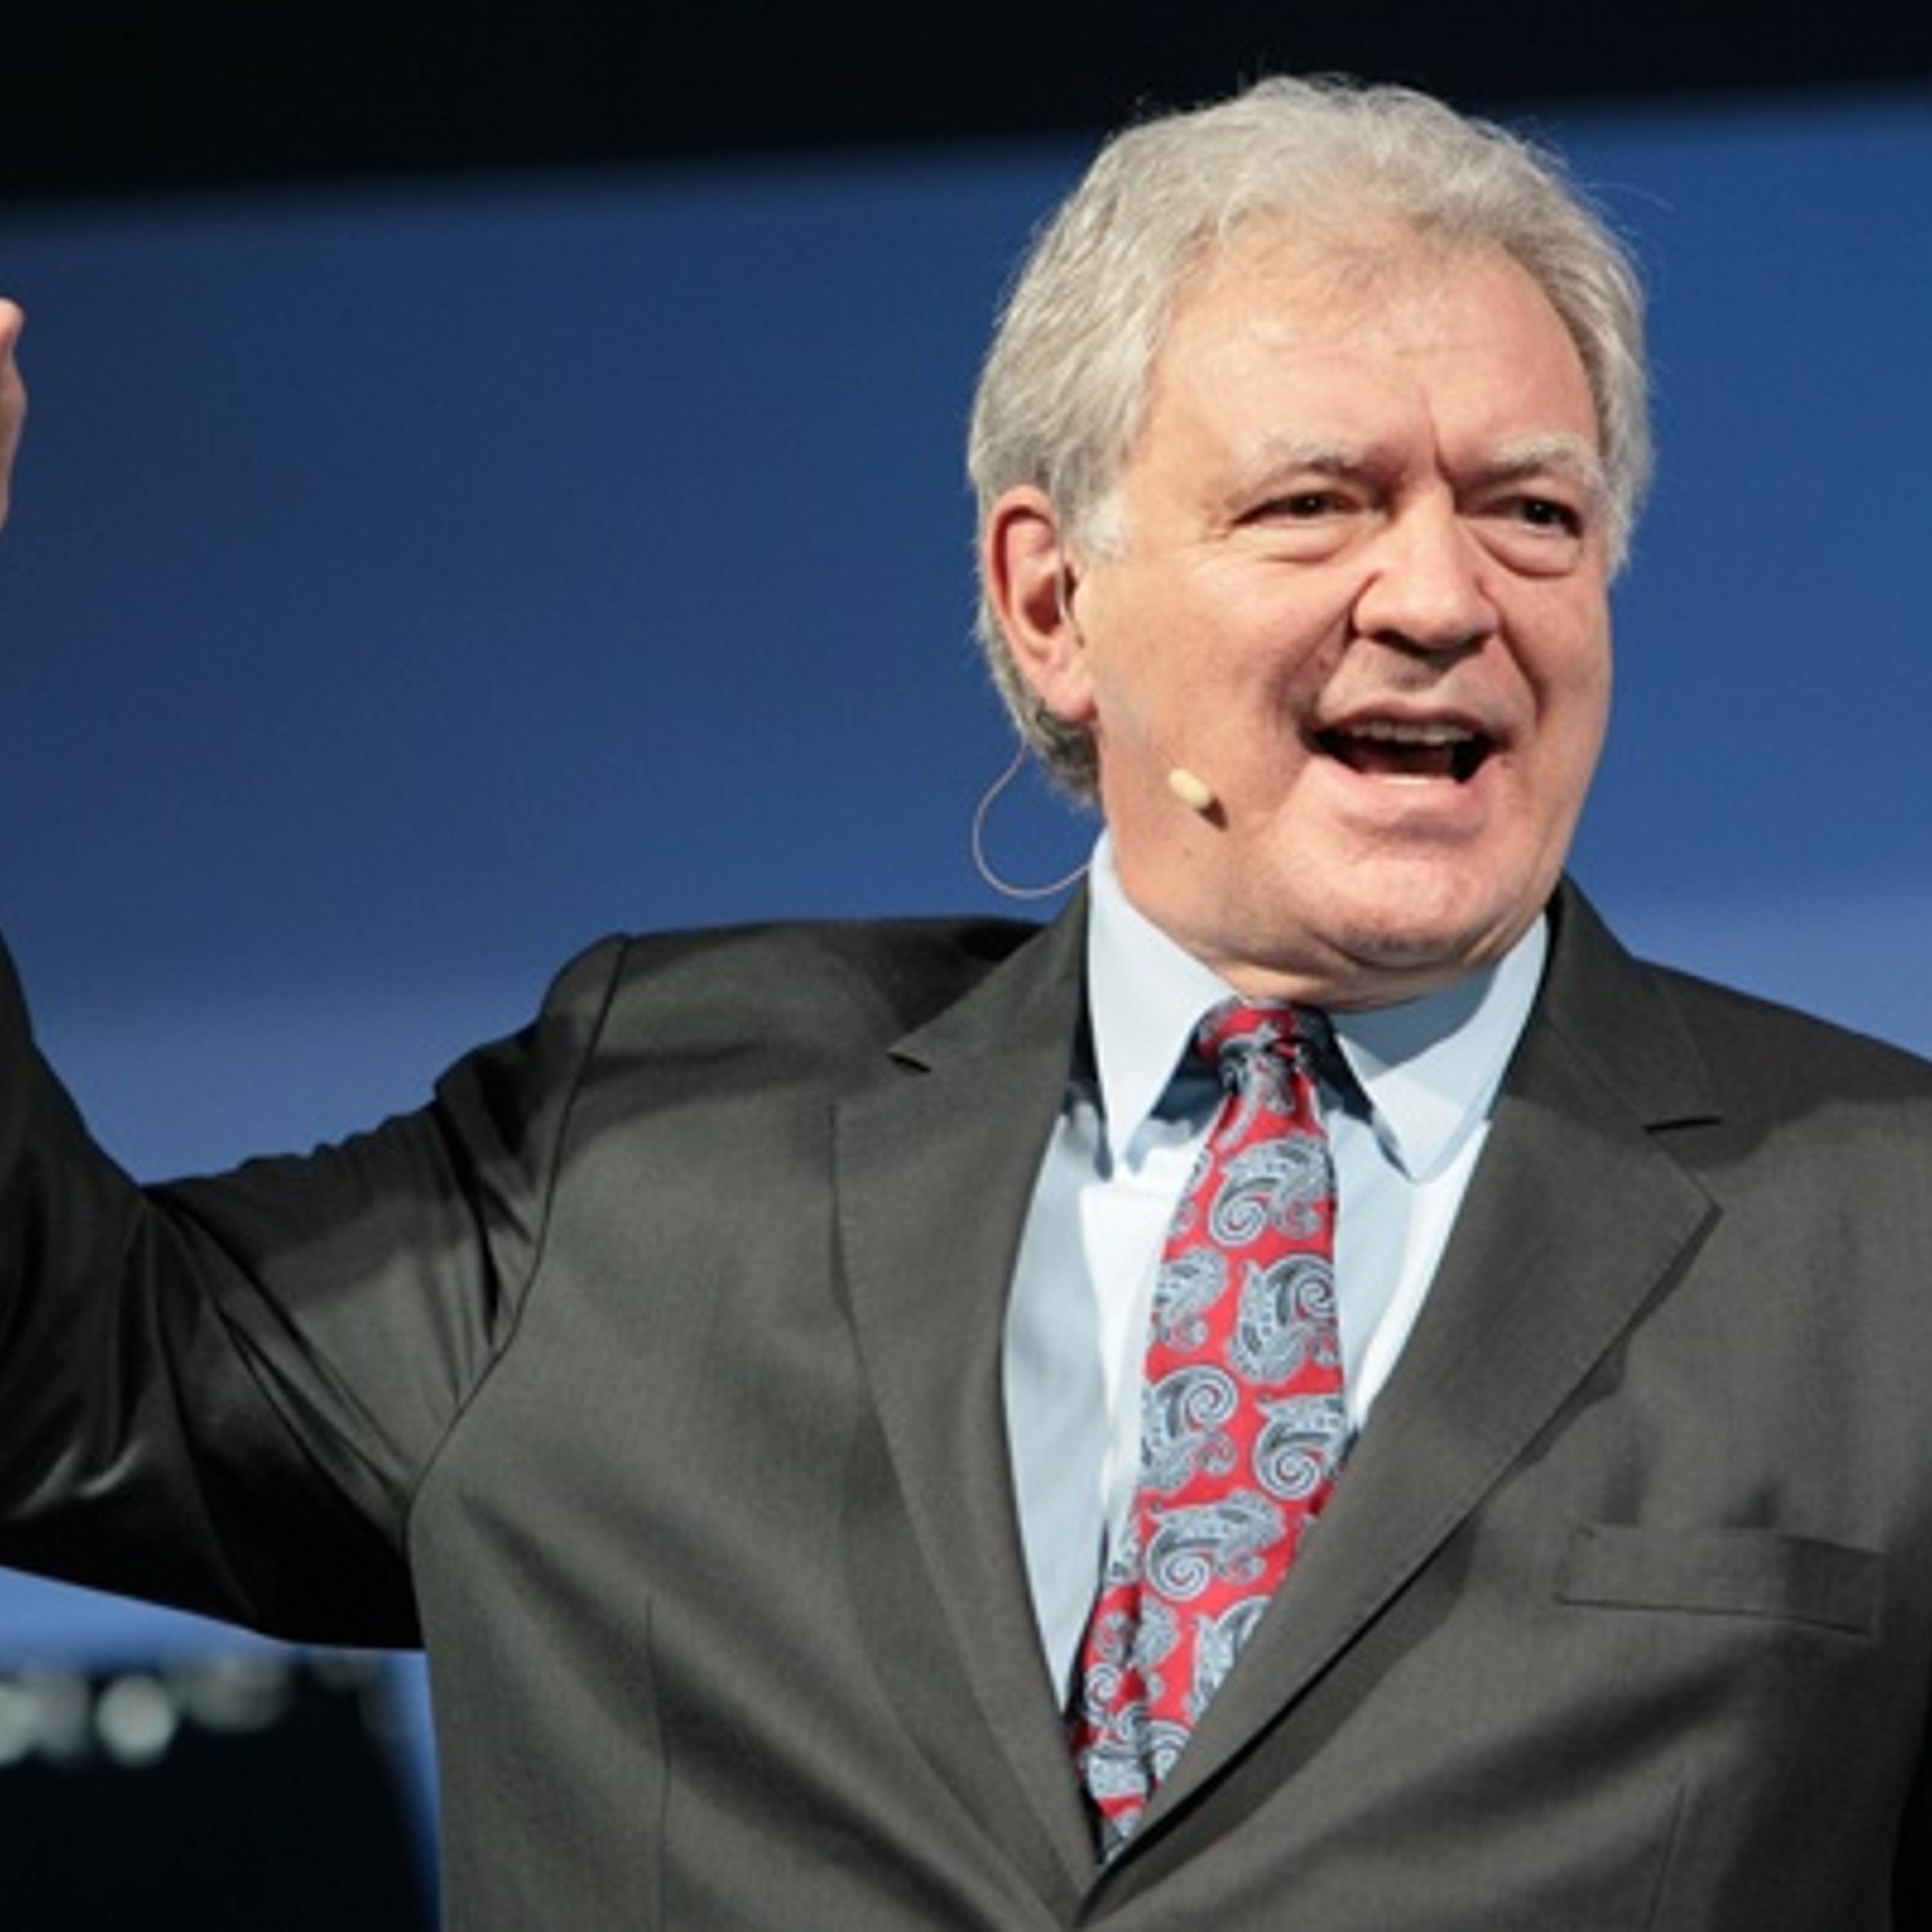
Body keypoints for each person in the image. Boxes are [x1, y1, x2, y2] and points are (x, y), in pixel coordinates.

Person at [3, 75, 1931, 1931]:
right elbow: (55, 1383)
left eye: (1533, 514)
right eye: (1314, 503)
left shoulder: (1884, 1236)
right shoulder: (637, 1141)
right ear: (1051, 603)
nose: (1441, 597)